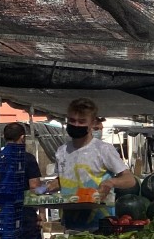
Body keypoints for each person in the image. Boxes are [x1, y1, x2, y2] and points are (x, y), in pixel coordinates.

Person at [54, 97, 136, 231]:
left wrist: (111, 183)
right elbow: (63, 180)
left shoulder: (103, 149)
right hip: (69, 226)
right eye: (72, 121)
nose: (76, 125)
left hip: (100, 226)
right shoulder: (62, 151)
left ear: (92, 123)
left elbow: (129, 179)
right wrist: (42, 190)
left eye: (82, 121)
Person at [4, 122, 44, 239]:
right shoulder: (28, 158)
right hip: (24, 209)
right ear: (22, 137)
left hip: (3, 210)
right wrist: (40, 212)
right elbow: (34, 187)